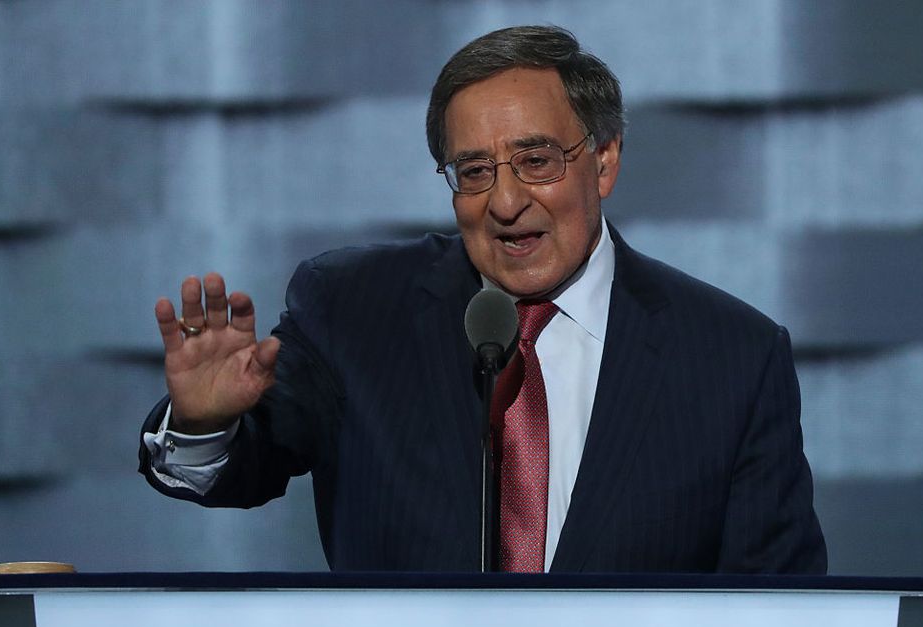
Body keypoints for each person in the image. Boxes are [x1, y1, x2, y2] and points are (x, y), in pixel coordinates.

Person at [140, 25, 827, 574]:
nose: (504, 202)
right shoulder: (353, 308)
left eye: (536, 161)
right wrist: (205, 425)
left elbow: (777, 609)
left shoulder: (733, 357)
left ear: (604, 161)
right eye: (474, 171)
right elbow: (247, 467)